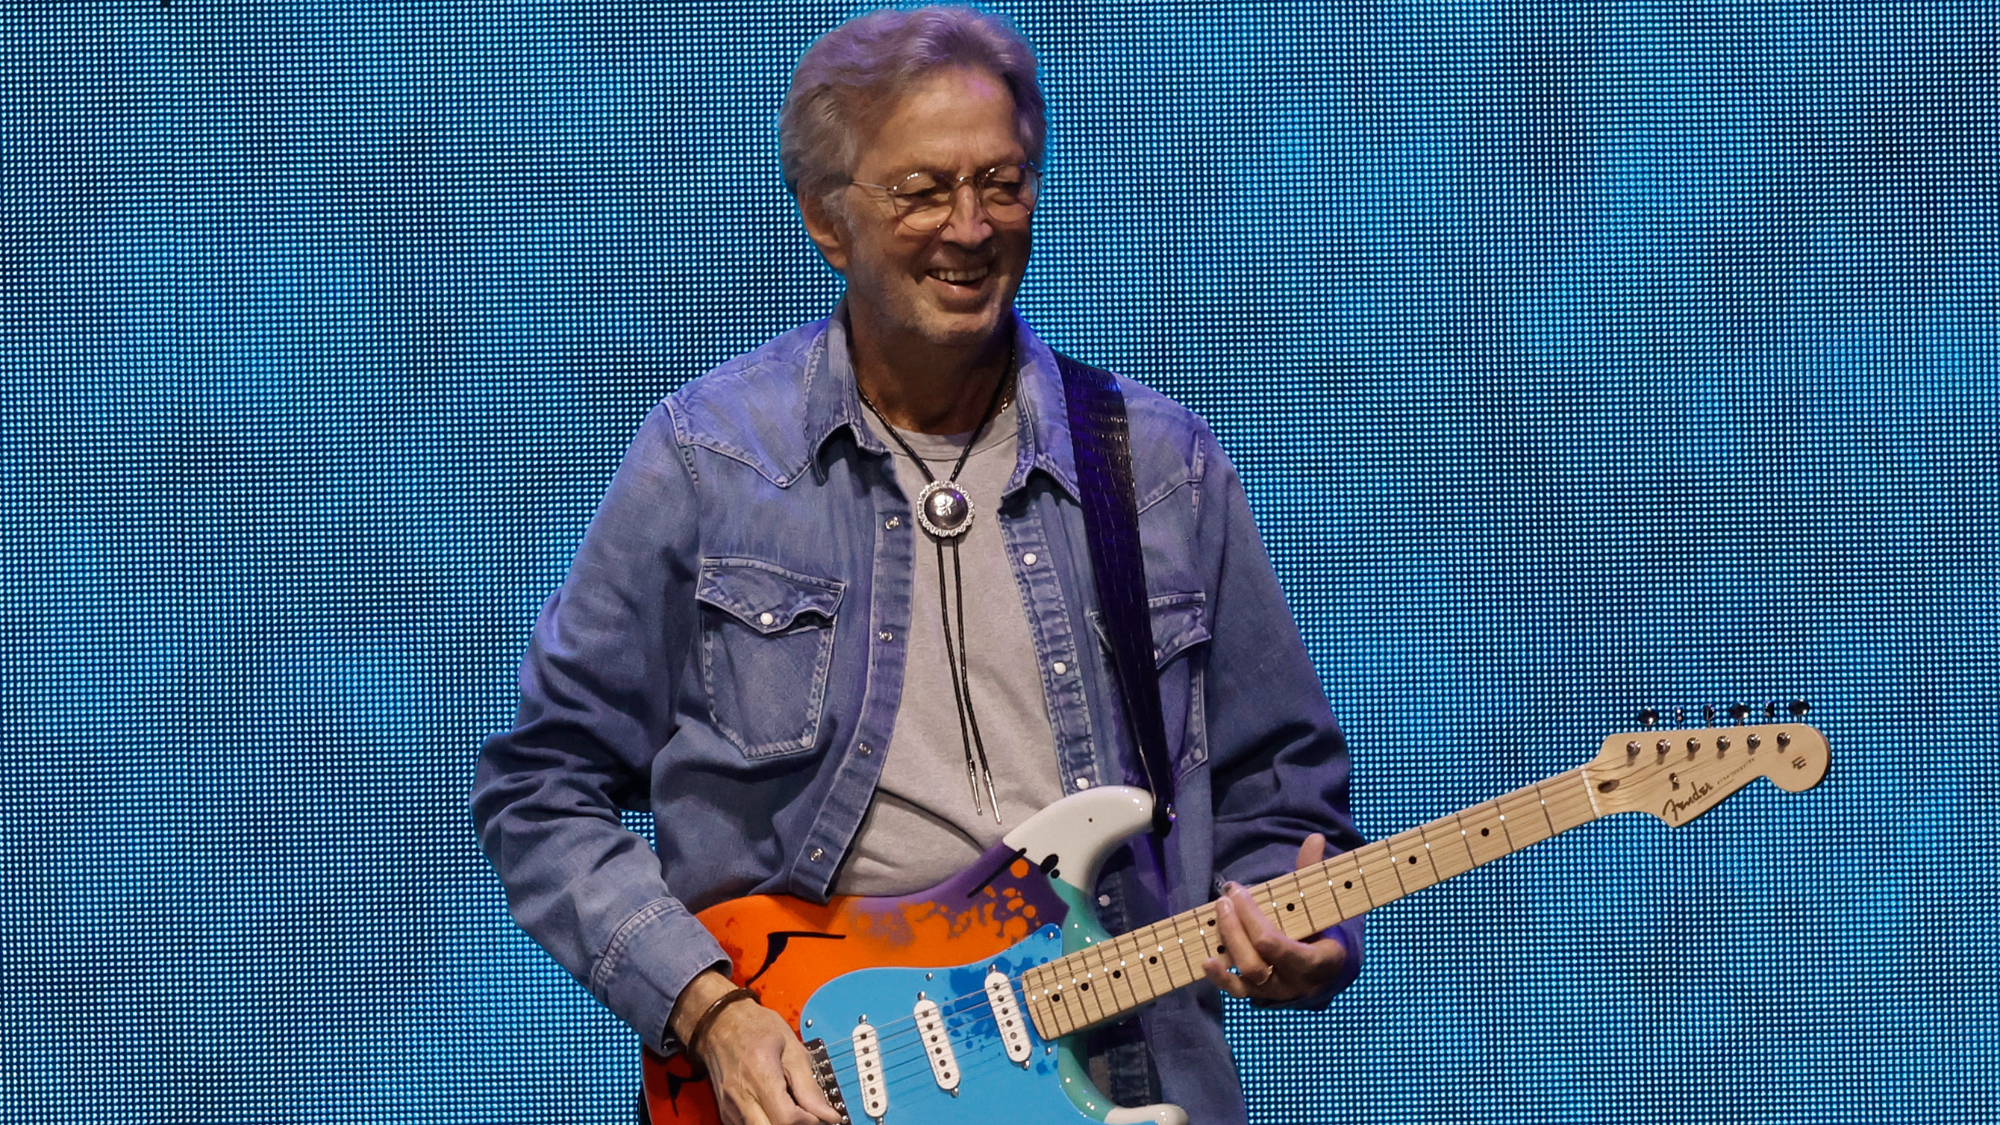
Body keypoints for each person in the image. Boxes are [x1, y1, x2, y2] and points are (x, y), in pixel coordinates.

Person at [472, 7, 1366, 1124]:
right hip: (823, 1081)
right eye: (922, 190)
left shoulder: (1160, 467)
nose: (970, 226)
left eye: (1001, 183)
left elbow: (1279, 794)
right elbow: (538, 787)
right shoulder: (709, 460)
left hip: (1127, 1070)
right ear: (826, 219)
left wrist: (1305, 925)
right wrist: (708, 1009)